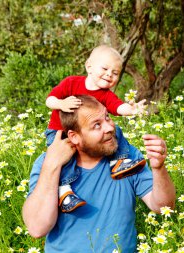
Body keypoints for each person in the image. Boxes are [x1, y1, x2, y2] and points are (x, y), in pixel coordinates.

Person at [23, 95, 176, 253]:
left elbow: (163, 206)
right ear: (74, 137)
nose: (109, 127)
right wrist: (52, 165)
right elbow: (37, 228)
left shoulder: (126, 158)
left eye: (107, 117)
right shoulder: (46, 163)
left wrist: (159, 168)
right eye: (96, 125)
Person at [45, 45, 147, 212]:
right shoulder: (71, 83)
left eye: (115, 73)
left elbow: (117, 107)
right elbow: (50, 100)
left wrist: (131, 110)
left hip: (89, 136)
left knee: (115, 130)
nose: (109, 74)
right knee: (64, 159)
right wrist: (61, 104)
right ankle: (64, 192)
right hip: (60, 133)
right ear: (89, 67)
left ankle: (118, 162)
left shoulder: (105, 94)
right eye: (105, 68)